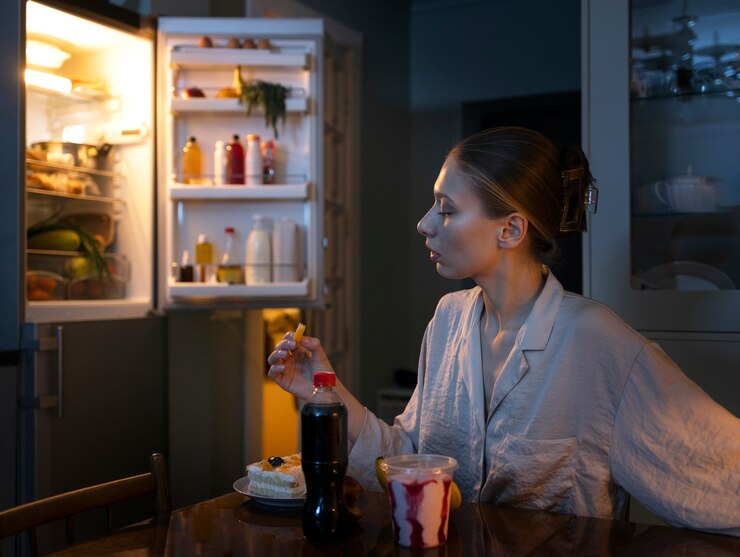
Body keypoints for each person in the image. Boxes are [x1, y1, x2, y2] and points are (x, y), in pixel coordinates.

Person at [267, 126, 740, 536]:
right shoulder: (448, 320)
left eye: (446, 209)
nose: (424, 224)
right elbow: (410, 461)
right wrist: (323, 393)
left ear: (511, 230)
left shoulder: (597, 342)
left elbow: (721, 473)